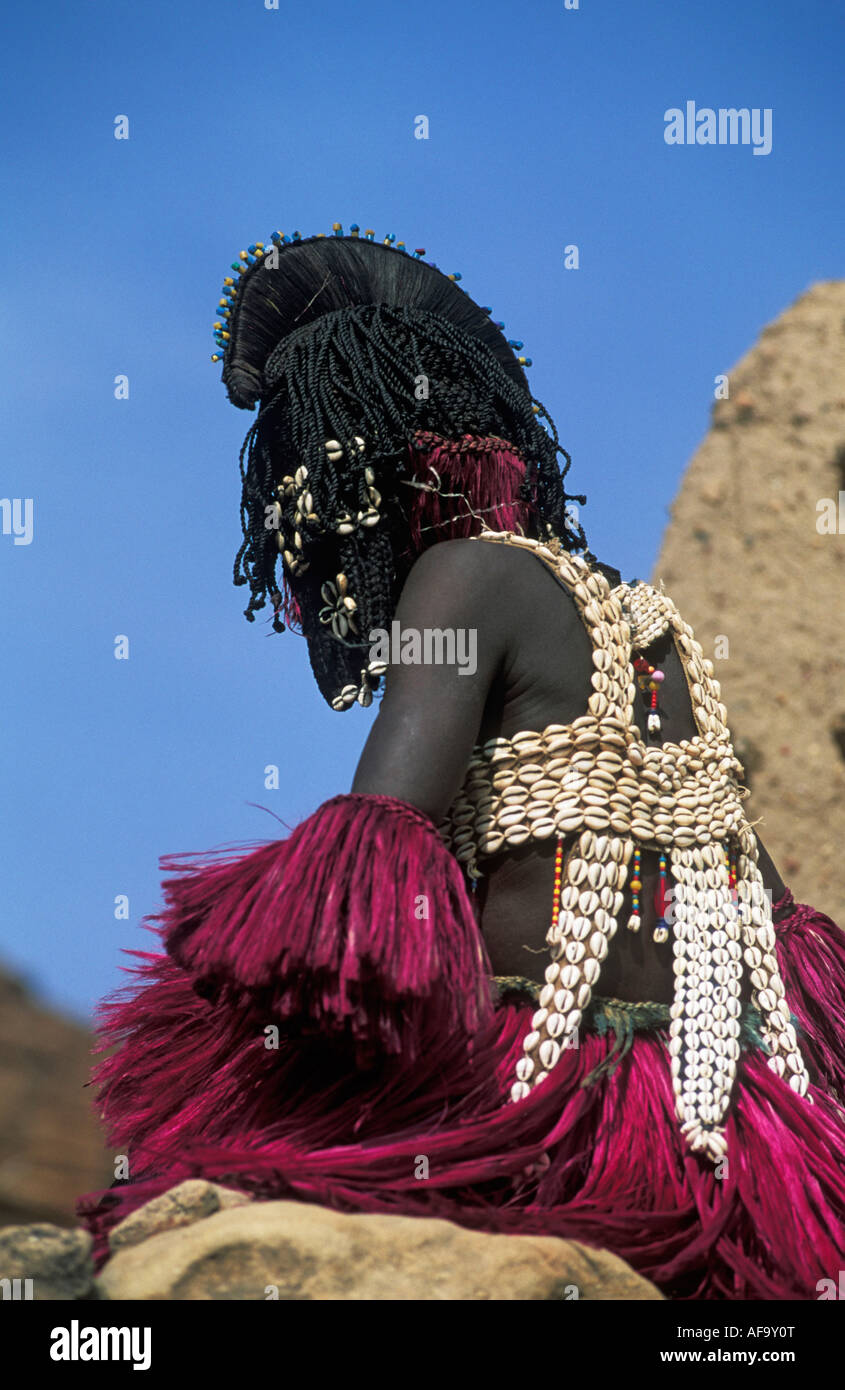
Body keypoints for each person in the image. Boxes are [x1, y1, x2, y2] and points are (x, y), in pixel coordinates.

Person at [77, 225, 845, 1299]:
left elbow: (367, 869)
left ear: (370, 451)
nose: (310, 524)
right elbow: (767, 916)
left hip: (535, 1101)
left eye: (313, 472)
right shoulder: (643, 621)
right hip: (710, 1124)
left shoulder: (462, 576)